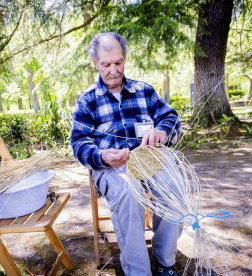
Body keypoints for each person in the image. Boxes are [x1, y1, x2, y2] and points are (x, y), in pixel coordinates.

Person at [71, 32, 182, 276]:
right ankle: (138, 271)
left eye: (118, 62)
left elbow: (171, 118)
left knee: (173, 185)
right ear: (95, 63)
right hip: (111, 168)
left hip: (150, 160)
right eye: (106, 64)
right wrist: (102, 157)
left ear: (125, 58)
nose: (113, 70)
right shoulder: (87, 100)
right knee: (129, 193)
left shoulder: (144, 91)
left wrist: (162, 131)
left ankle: (165, 260)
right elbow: (79, 144)